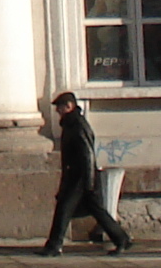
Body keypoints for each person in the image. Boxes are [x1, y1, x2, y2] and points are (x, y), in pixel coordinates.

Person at [41, 90, 132, 256]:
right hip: (79, 177)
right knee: (97, 210)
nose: (57, 111)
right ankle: (122, 239)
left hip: (80, 178)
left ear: (69, 106)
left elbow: (88, 155)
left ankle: (54, 246)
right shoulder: (71, 124)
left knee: (64, 209)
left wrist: (88, 182)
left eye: (59, 107)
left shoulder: (78, 125)